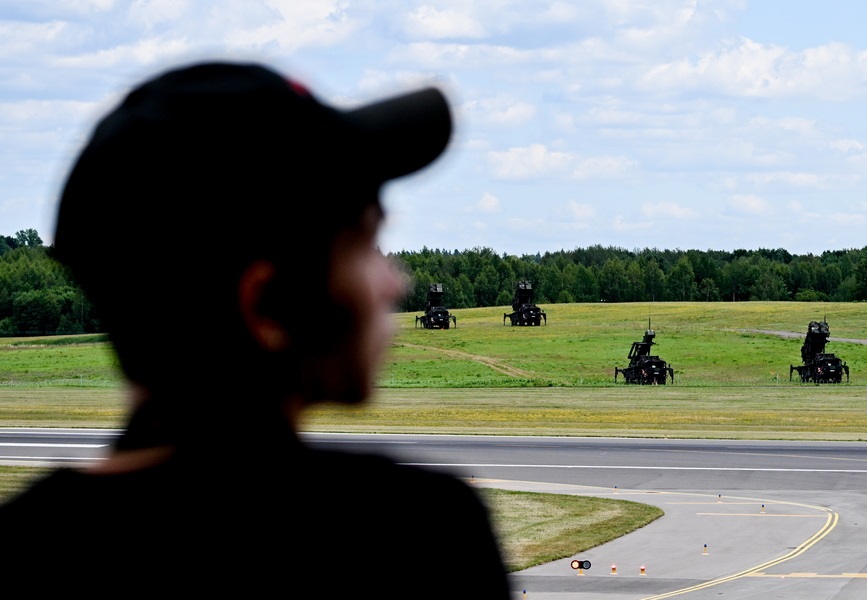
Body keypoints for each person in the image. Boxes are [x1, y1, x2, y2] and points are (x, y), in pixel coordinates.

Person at [0, 60, 511, 597]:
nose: (392, 284)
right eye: (365, 247)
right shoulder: (416, 533)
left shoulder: (23, 550)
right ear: (267, 306)